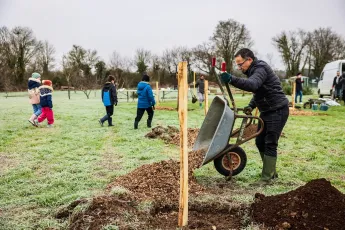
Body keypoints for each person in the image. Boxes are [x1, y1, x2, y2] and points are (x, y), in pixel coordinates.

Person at [221, 48, 289, 184]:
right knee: (259, 142)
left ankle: (267, 178)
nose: (239, 67)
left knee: (270, 143)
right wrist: (251, 106)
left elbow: (253, 85)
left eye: (241, 64)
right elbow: (258, 91)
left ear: (250, 60)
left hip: (277, 110)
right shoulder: (253, 70)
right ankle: (271, 173)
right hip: (267, 110)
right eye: (238, 65)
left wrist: (231, 79)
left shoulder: (260, 68)